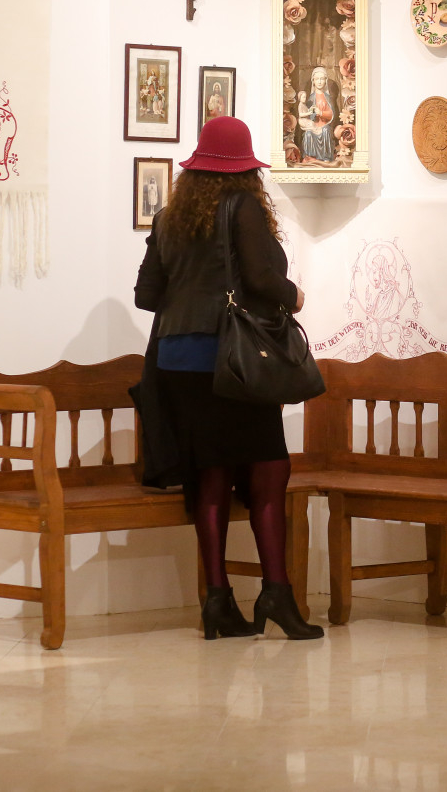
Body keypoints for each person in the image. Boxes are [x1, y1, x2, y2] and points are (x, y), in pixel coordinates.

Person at [132, 115, 323, 641]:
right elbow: (261, 277)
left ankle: (217, 601)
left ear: (195, 168)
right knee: (270, 471)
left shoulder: (169, 217)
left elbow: (147, 296)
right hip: (233, 362)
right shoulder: (243, 208)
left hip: (177, 362)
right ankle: (276, 593)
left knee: (211, 476)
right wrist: (295, 296)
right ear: (246, 170)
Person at [299, 67, 337, 162]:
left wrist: (321, 113)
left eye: (322, 79)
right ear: (313, 81)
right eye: (317, 79)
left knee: (325, 130)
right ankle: (310, 157)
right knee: (308, 134)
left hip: (324, 125)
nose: (319, 82)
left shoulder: (328, 98)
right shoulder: (310, 99)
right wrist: (312, 114)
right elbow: (306, 115)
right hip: (313, 126)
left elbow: (331, 115)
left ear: (325, 81)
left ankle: (326, 157)